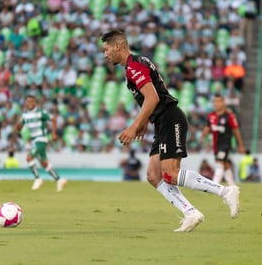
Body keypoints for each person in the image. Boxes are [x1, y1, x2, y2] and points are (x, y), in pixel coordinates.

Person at [101, 29, 239, 232]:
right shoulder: (137, 63)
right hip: (162, 120)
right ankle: (191, 212)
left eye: (106, 49)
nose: (105, 54)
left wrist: (134, 125)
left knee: (171, 174)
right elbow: (156, 94)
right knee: (153, 176)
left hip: (170, 118)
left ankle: (226, 191)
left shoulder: (134, 67)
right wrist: (145, 122)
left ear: (117, 46)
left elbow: (153, 98)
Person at [16, 95, 66, 192]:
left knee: (29, 157)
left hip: (41, 139)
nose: (29, 103)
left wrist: (53, 133)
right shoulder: (25, 115)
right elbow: (19, 129)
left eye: (31, 101)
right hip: (34, 140)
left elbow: (53, 119)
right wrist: (19, 125)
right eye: (28, 101)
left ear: (35, 103)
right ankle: (59, 180)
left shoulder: (40, 113)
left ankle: (37, 178)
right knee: (44, 163)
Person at [200, 94, 245, 185]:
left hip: (225, 144)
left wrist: (240, 145)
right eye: (215, 101)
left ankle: (214, 186)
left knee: (219, 163)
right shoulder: (211, 116)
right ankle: (233, 187)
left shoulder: (229, 116)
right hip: (216, 145)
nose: (216, 104)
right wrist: (202, 136)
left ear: (223, 103)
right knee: (225, 165)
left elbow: (236, 131)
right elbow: (208, 127)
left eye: (218, 101)